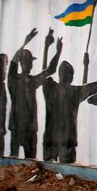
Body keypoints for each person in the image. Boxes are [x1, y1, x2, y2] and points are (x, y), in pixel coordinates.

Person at [42, 38, 97, 164]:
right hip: (68, 140)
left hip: (49, 138)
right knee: (67, 172)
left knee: (48, 171)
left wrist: (57, 51)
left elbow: (45, 73)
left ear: (59, 74)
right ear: (72, 76)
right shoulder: (74, 92)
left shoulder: (49, 87)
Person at [8, 29, 61, 158]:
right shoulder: (14, 79)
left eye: (31, 61)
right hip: (19, 127)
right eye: (28, 61)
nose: (31, 64)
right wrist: (25, 42)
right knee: (14, 157)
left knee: (29, 158)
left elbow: (51, 70)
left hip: (29, 128)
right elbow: (13, 63)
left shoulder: (31, 81)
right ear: (22, 62)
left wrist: (58, 51)